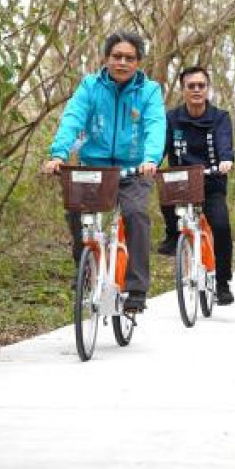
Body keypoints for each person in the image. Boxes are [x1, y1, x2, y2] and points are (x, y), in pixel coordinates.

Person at [43, 32, 166, 314]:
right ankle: (85, 268)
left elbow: (155, 125)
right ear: (107, 58)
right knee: (76, 213)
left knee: (136, 214)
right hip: (95, 168)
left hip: (133, 169)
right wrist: (59, 154)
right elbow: (73, 118)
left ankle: (136, 289)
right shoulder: (90, 86)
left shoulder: (149, 91)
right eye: (116, 56)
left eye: (129, 58)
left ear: (138, 62)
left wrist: (150, 159)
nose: (122, 62)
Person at [156, 66, 235, 305]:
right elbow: (160, 147)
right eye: (191, 86)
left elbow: (224, 141)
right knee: (165, 192)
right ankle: (173, 235)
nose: (196, 90)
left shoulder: (220, 117)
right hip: (181, 181)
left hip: (211, 181)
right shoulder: (171, 118)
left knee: (221, 226)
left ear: (208, 89)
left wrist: (225, 159)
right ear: (183, 90)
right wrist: (151, 163)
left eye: (201, 85)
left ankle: (222, 283)